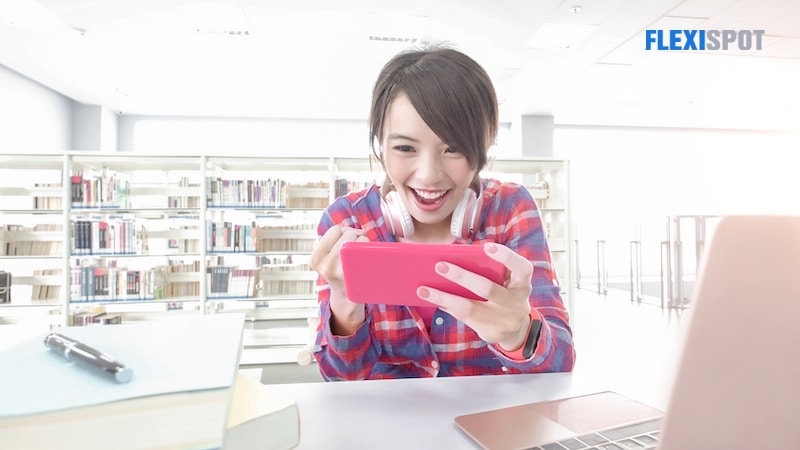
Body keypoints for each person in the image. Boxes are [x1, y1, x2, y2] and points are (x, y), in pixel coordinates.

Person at [309, 43, 575, 380]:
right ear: (380, 143)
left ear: (483, 147)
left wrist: (519, 334)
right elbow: (339, 377)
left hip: (491, 426)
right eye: (405, 148)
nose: (428, 175)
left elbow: (561, 364)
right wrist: (345, 303)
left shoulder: (510, 209)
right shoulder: (347, 221)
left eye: (455, 148)